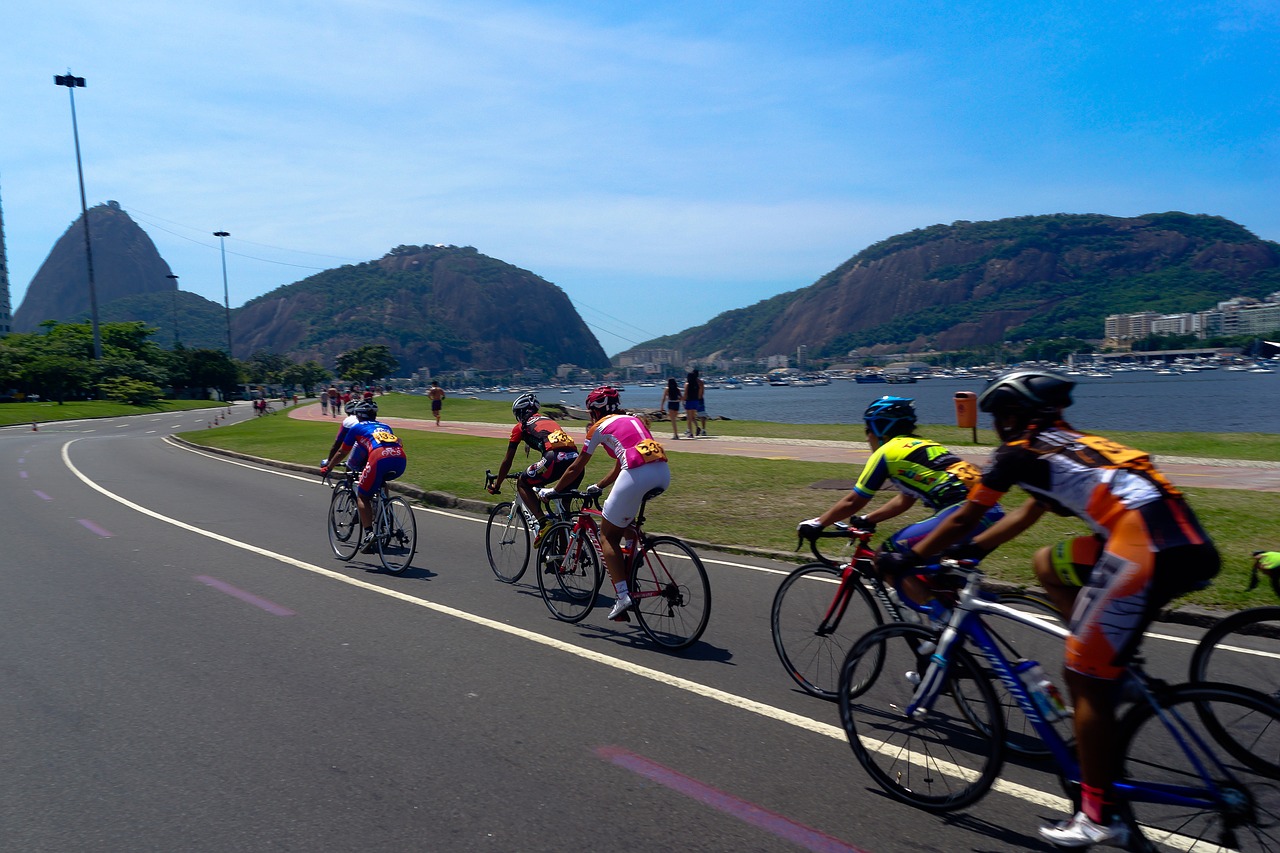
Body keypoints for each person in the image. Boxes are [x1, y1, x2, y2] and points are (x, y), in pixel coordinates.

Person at [878, 369, 1219, 848]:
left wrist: (912, 556)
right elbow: (1027, 513)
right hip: (1185, 541)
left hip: (1143, 550)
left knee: (1083, 678)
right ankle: (1116, 671)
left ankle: (1098, 816)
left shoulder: (1020, 452)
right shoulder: (1075, 444)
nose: (997, 427)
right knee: (1049, 565)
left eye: (998, 417)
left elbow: (968, 514)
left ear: (1014, 417)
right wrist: (969, 555)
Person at [796, 396, 1003, 606]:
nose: (867, 438)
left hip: (961, 514)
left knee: (885, 559)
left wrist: (817, 524)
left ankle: (943, 622)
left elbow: (853, 501)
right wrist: (869, 519)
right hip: (992, 513)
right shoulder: (923, 446)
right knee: (940, 579)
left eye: (867, 430)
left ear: (879, 429)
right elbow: (905, 499)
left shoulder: (887, 452)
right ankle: (960, 617)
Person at [540, 386, 671, 622]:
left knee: (607, 536)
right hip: (662, 472)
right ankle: (631, 558)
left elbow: (576, 466)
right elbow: (622, 464)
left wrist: (554, 490)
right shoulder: (632, 419)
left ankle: (622, 596)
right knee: (624, 520)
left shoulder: (597, 427)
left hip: (638, 474)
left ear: (594, 411)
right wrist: (599, 486)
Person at [486, 393, 583, 543]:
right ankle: (561, 558)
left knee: (523, 482)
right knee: (563, 514)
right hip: (576, 461)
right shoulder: (547, 420)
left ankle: (543, 522)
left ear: (520, 413)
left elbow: (507, 461)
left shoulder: (520, 427)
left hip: (554, 459)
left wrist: (497, 484)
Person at [320, 399, 407, 553]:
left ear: (358, 415)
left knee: (362, 495)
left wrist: (329, 467)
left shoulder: (357, 427)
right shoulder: (385, 426)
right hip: (400, 459)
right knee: (381, 481)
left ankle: (369, 533)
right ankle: (384, 511)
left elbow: (341, 451)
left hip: (379, 458)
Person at [683, 369, 706, 437]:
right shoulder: (699, 382)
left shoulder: (688, 383)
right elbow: (702, 392)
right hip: (697, 400)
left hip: (690, 400)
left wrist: (683, 400)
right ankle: (702, 429)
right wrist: (698, 398)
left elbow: (685, 394)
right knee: (701, 414)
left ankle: (690, 431)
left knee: (690, 417)